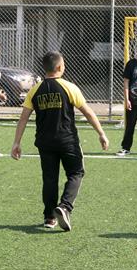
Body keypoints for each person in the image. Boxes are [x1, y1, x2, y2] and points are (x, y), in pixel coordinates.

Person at [11, 51, 109, 231]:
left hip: (44, 141)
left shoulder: (35, 90)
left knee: (49, 179)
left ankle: (49, 217)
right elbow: (87, 111)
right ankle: (64, 207)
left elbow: (23, 117)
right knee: (76, 173)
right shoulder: (69, 87)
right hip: (67, 140)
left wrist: (16, 142)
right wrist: (101, 132)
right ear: (59, 67)